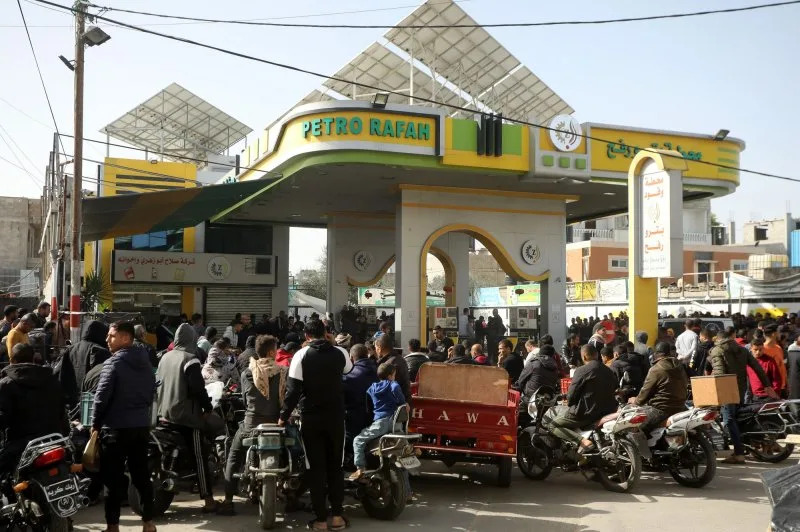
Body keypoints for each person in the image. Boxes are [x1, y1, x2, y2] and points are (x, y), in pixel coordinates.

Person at [279, 320, 353, 531]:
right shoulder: (340, 353)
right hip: (336, 418)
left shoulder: (300, 356)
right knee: (335, 467)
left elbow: (292, 392)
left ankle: (320, 520)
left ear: (306, 335)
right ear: (326, 333)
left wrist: (283, 417)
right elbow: (349, 369)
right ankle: (337, 517)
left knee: (316, 468)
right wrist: (333, 343)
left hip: (311, 419)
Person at [91, 322, 157, 532]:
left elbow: (101, 398)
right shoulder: (145, 362)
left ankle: (113, 526)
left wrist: (95, 424)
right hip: (140, 426)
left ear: (126, 338)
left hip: (116, 428)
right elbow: (150, 393)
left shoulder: (113, 363)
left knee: (113, 479)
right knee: (141, 476)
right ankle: (148, 523)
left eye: (112, 336)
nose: (107, 340)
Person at [220, 335, 287, 515]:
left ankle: (228, 499)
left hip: (251, 426)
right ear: (272, 352)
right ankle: (292, 496)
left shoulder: (247, 373)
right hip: (276, 425)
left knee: (233, 455)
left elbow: (244, 399)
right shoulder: (282, 371)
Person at [157, 323, 220, 512]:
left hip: (163, 414)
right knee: (199, 456)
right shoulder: (190, 359)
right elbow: (197, 388)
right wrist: (207, 407)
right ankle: (208, 500)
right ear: (192, 340)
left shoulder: (164, 358)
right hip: (186, 417)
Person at [0, 344, 69, 485]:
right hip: (53, 439)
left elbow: (2, 417)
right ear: (33, 358)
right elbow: (62, 410)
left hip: (21, 445)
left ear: (11, 360)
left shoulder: (6, 384)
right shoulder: (51, 379)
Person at [710, 327, 777, 464]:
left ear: (718, 339)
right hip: (741, 389)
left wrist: (709, 387)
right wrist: (767, 385)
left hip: (726, 390)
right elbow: (757, 368)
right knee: (738, 418)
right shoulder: (742, 349)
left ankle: (739, 453)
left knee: (729, 419)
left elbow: (719, 373)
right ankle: (743, 447)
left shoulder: (718, 350)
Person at [549, 345, 618, 452]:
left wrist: (569, 402)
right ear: (597, 355)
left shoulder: (582, 370)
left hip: (586, 414)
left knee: (552, 425)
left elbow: (571, 396)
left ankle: (582, 441)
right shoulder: (608, 370)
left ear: (584, 357)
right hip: (607, 410)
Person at [350, 362, 408, 480]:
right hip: (395, 424)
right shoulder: (393, 384)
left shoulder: (372, 388)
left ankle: (360, 468)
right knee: (402, 456)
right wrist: (403, 402)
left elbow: (368, 407)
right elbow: (396, 389)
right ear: (391, 375)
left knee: (358, 440)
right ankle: (407, 493)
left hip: (380, 423)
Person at [628, 342, 688, 434]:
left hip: (661, 410)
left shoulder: (656, 369)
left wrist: (635, 401)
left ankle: (643, 449)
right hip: (680, 406)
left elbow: (645, 392)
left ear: (656, 354)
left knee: (633, 428)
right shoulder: (679, 366)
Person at [58, 319, 112, 406]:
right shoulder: (100, 351)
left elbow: (60, 372)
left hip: (71, 398)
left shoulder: (71, 349)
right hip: (89, 400)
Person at [343, 344, 378, 467]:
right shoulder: (378, 370)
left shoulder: (349, 377)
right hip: (377, 419)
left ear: (352, 358)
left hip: (355, 421)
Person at [515, 344, 560, 425]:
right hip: (547, 402)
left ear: (540, 352)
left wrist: (517, 391)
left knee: (516, 418)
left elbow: (521, 381)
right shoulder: (555, 367)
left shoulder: (533, 362)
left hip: (530, 400)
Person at [375, 333, 411, 402]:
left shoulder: (388, 365)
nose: (375, 350)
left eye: (375, 347)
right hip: (404, 404)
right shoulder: (400, 359)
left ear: (379, 348)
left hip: (395, 408)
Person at [762, 323, 788, 394]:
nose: (780, 334)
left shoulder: (778, 348)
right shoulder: (761, 350)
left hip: (782, 387)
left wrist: (786, 384)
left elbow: (782, 366)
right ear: (774, 334)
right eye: (778, 332)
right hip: (770, 389)